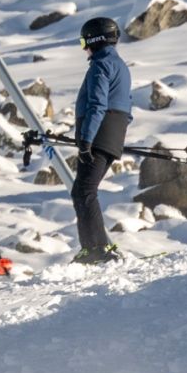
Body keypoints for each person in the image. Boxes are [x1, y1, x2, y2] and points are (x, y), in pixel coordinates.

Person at [71, 15, 132, 264]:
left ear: (94, 39)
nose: (84, 47)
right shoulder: (119, 65)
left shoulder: (101, 65)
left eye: (83, 41)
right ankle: (96, 248)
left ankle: (97, 249)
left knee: (83, 191)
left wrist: (86, 139)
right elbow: (127, 106)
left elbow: (97, 104)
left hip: (98, 132)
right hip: (111, 132)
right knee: (85, 191)